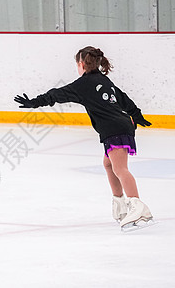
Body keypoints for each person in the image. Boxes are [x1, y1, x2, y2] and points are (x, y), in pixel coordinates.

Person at [14, 46, 153, 231]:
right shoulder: (104, 80)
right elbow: (123, 98)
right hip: (118, 126)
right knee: (109, 164)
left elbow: (56, 94)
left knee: (120, 168)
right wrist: (136, 114)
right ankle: (120, 204)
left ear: (81, 64)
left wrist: (35, 102)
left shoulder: (82, 85)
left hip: (114, 129)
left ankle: (137, 206)